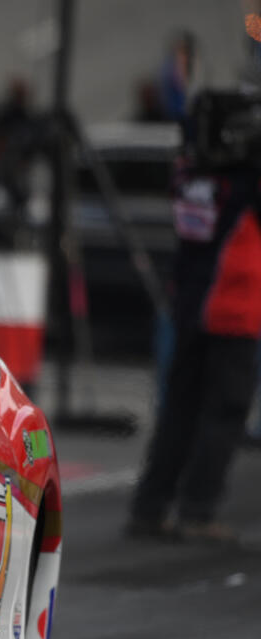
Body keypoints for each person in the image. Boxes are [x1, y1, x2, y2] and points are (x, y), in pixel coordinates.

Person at [126, 98, 261, 544]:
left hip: (189, 304)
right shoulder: (243, 184)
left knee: (180, 408)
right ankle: (198, 508)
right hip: (232, 310)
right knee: (224, 411)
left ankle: (151, 503)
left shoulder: (188, 173)